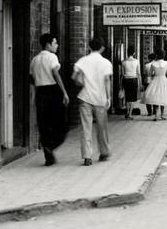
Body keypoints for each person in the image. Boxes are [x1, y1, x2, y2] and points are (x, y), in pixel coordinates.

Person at [29, 33, 70, 166]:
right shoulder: (52, 57)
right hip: (52, 91)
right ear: (48, 44)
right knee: (60, 123)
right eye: (55, 42)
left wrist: (33, 98)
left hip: (40, 93)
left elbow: (32, 81)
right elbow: (56, 74)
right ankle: (51, 146)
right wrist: (64, 92)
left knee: (44, 124)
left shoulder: (34, 60)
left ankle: (48, 154)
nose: (57, 45)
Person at [71, 36, 113, 166]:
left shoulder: (83, 60)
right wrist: (108, 97)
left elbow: (74, 77)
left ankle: (87, 156)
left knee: (86, 127)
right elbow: (107, 80)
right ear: (102, 48)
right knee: (102, 127)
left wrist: (81, 80)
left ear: (89, 47)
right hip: (100, 98)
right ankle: (104, 152)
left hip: (85, 97)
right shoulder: (106, 63)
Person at [142, 49, 167, 120]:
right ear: (164, 55)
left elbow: (150, 74)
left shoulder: (153, 64)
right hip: (164, 80)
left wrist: (155, 74)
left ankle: (156, 115)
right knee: (163, 97)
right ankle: (162, 115)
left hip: (155, 81)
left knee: (155, 98)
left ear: (157, 55)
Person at [119, 45, 140, 120]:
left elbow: (122, 74)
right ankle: (130, 114)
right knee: (133, 98)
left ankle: (127, 112)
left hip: (126, 80)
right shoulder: (137, 61)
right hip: (134, 79)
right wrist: (140, 83)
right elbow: (138, 73)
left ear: (127, 53)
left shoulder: (124, 62)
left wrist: (121, 84)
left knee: (127, 97)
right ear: (134, 53)